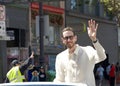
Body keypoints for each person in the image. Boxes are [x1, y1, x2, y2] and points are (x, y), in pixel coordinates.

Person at [53, 19, 106, 86]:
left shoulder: (88, 50)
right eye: (66, 38)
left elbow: (102, 56)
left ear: (75, 38)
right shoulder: (60, 57)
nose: (69, 40)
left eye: (71, 37)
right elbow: (59, 79)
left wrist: (94, 40)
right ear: (63, 40)